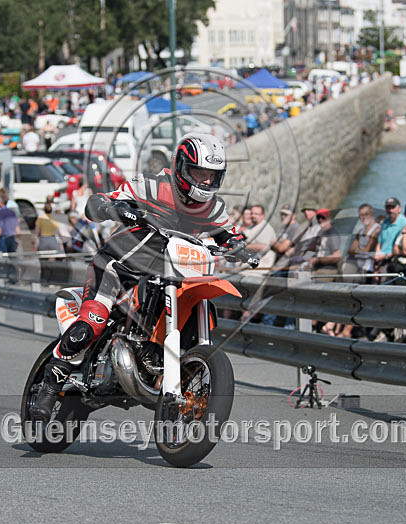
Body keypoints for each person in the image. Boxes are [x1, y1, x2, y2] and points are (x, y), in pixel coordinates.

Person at [30, 132, 257, 420]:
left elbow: (229, 234)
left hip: (173, 274)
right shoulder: (150, 185)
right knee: (90, 323)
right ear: (181, 165)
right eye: (199, 172)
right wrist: (117, 208)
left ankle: (169, 369)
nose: (206, 181)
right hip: (117, 268)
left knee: (201, 302)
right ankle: (50, 386)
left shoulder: (214, 207)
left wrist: (239, 248)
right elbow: (99, 202)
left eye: (212, 176)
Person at [341, 204, 381, 282]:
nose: (364, 217)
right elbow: (350, 250)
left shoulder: (377, 229)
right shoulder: (361, 231)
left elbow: (367, 250)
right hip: (358, 264)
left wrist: (357, 249)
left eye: (366, 214)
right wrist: (359, 250)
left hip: (369, 267)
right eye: (361, 215)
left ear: (372, 214)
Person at [374, 197, 406, 271]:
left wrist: (385, 256)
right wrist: (377, 256)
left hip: (394, 259)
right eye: (388, 207)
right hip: (380, 259)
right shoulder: (385, 222)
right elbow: (379, 243)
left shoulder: (404, 223)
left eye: (393, 207)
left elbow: (401, 248)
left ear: (399, 209)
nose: (390, 210)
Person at [307, 209, 340, 274]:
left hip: (328, 269)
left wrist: (318, 260)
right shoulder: (319, 233)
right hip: (315, 268)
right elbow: (312, 249)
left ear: (329, 219)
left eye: (323, 217)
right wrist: (305, 259)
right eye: (318, 217)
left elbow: (337, 256)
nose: (320, 220)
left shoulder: (332, 234)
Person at [0, 188, 20, 253]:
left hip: (3, 239)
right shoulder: (12, 211)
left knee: (3, 259)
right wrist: (17, 239)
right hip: (12, 238)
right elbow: (17, 226)